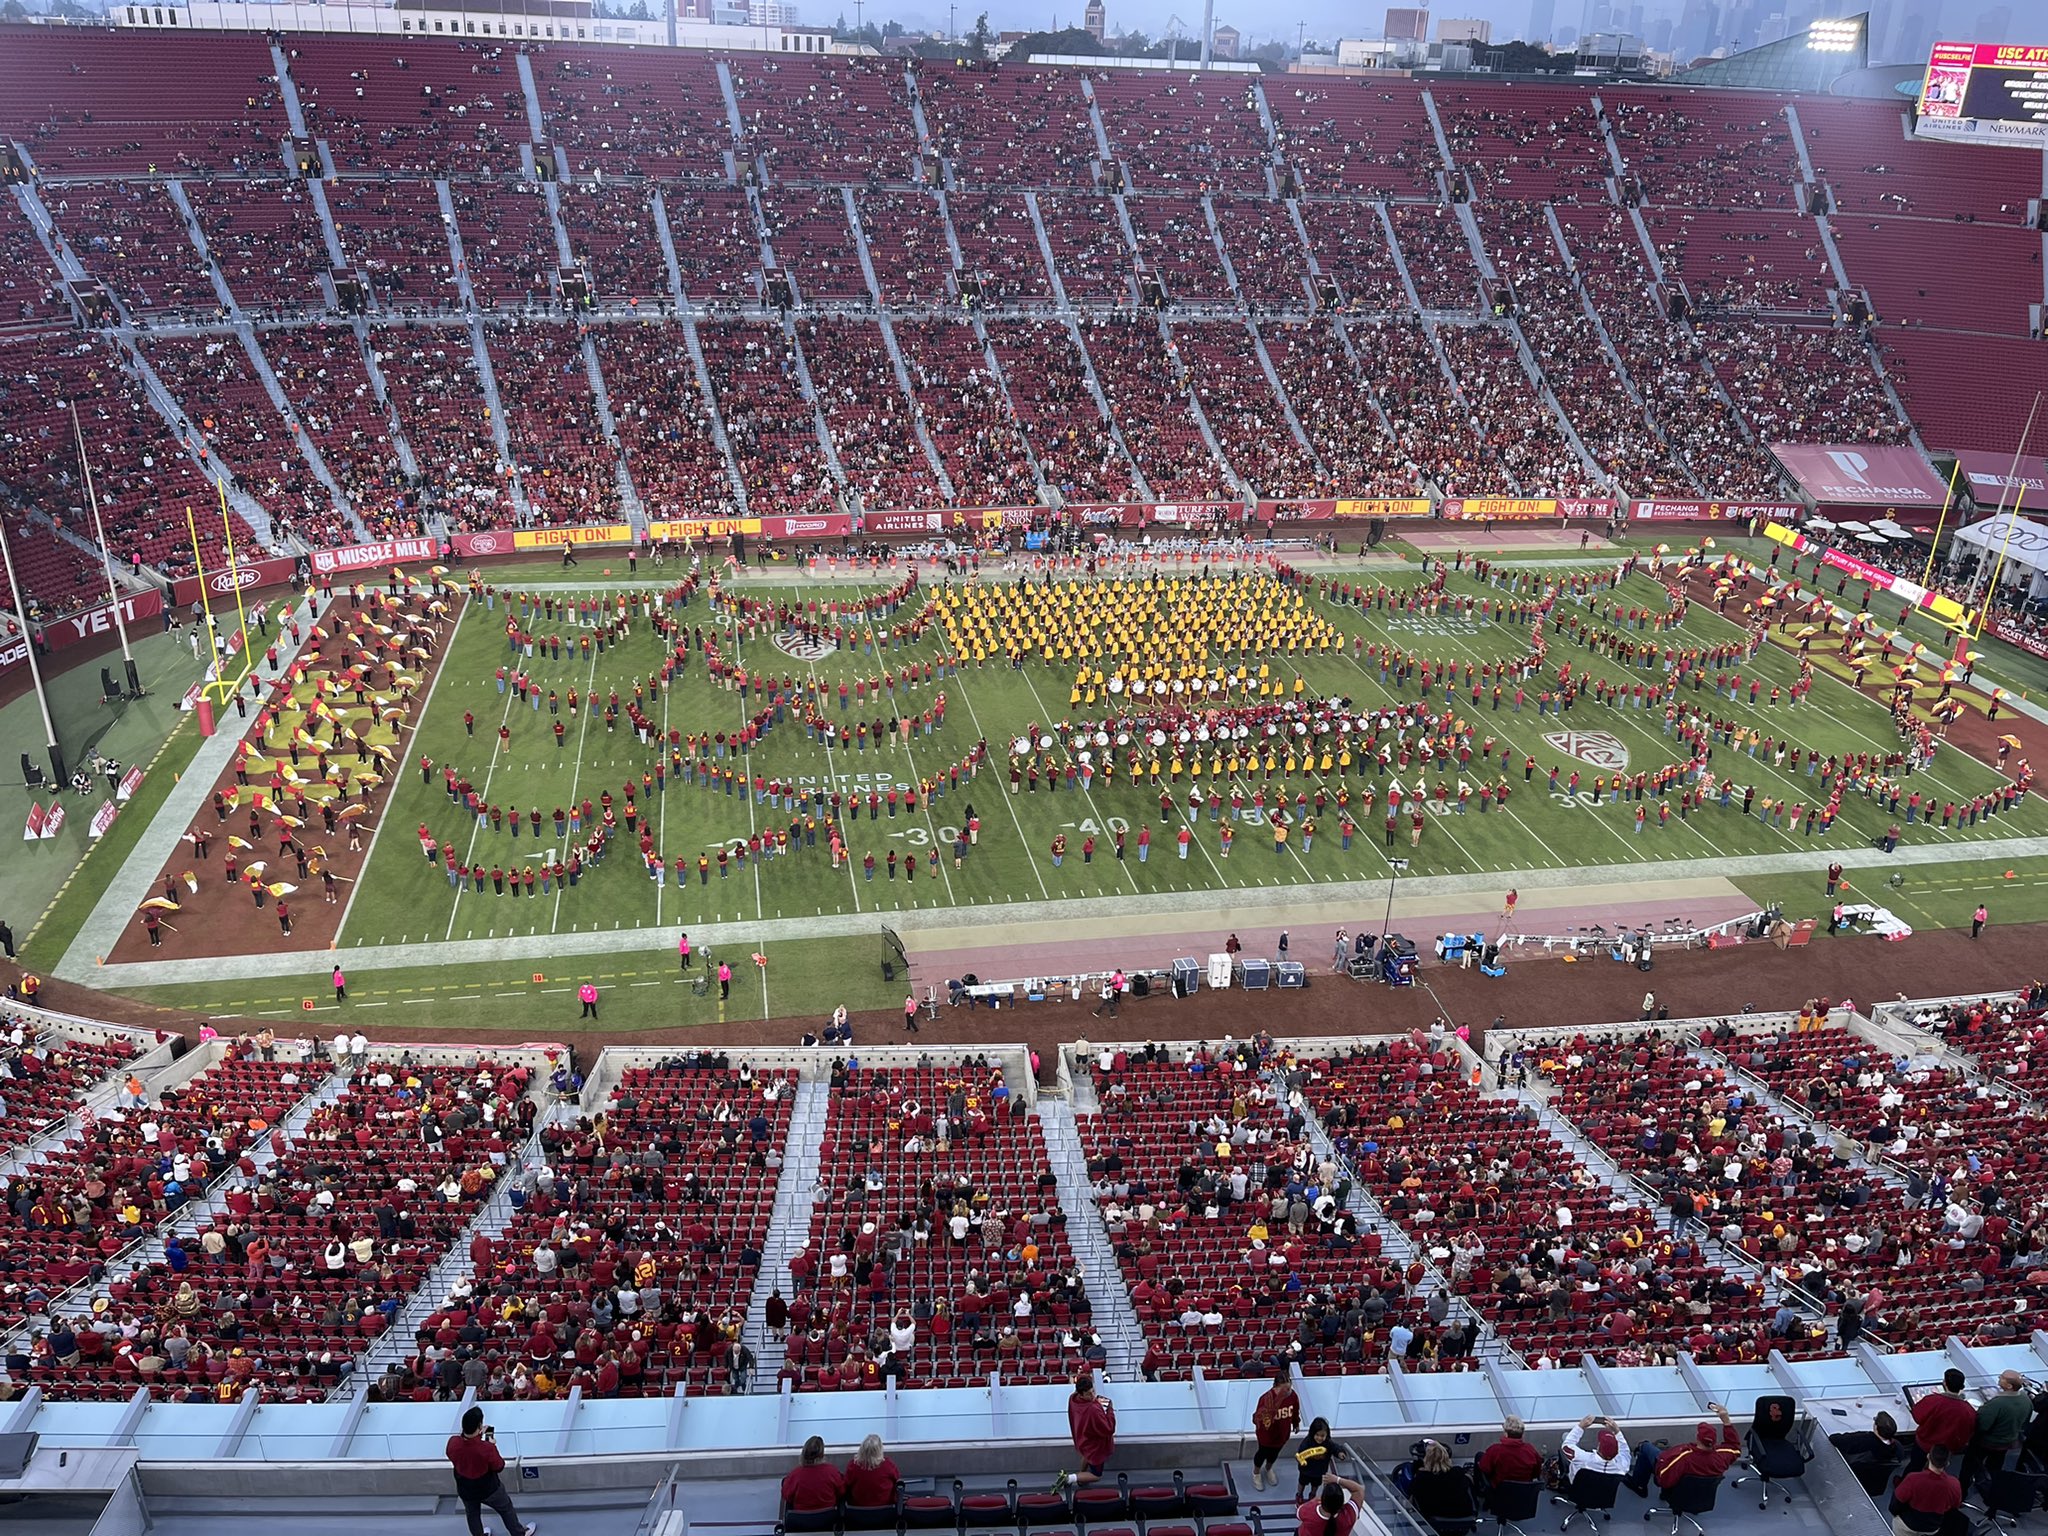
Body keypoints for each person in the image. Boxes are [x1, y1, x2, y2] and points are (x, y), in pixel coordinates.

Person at [445, 1405, 536, 1536]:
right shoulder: (486, 1448)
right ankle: (519, 1533)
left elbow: (459, 1452)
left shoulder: (453, 1442)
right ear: (479, 1426)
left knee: (472, 1515)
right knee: (506, 1509)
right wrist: (491, 1444)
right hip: (488, 1488)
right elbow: (499, 1466)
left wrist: (478, 1437)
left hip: (465, 1488)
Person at [1964, 1371, 2030, 1489]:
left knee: (1969, 1466)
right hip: (2006, 1443)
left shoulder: (1998, 1403)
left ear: (2009, 1386)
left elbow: (1982, 1426)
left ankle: (1962, 1489)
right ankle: (1991, 1491)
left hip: (1986, 1443)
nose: (1999, 1378)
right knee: (1995, 1468)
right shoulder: (2026, 1400)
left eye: (2002, 1378)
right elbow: (2024, 1422)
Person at [1053, 1370, 1116, 1493]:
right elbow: (1109, 1429)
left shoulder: (1073, 1398)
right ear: (1081, 1394)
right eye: (1089, 1394)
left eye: (1093, 1391)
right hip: (1095, 1445)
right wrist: (1110, 1410)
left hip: (1083, 1439)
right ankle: (1069, 1478)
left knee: (1086, 1455)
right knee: (1096, 1475)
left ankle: (1081, 1477)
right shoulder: (1092, 1409)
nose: (1093, 1396)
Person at [1652, 1404, 1741, 1488]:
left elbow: (1663, 1479)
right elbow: (1735, 1448)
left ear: (1697, 1437)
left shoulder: (1683, 1457)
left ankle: (1640, 1487)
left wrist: (1661, 1461)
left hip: (1678, 1494)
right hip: (1704, 1497)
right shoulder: (1721, 1457)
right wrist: (1726, 1421)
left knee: (1646, 1448)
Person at [1889, 1444, 1964, 1536]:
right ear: (1947, 1463)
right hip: (1932, 1527)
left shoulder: (1913, 1479)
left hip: (1908, 1524)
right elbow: (1954, 1506)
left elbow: (1895, 1504)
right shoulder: (1954, 1484)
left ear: (1928, 1456)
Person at [1910, 1370, 1977, 1468]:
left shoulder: (1932, 1401)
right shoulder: (1968, 1410)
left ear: (1945, 1383)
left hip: (1924, 1445)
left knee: (1915, 1467)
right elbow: (1969, 1430)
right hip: (1947, 1450)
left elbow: (1917, 1417)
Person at [1252, 1362, 1303, 1489]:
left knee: (1274, 1455)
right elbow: (1257, 1418)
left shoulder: (1293, 1396)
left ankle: (1268, 1469)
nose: (1288, 1391)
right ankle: (1256, 1473)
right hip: (1267, 1436)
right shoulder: (1266, 1399)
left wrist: (1296, 1423)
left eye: (1289, 1388)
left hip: (1282, 1434)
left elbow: (1295, 1411)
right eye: (1284, 1389)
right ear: (1276, 1386)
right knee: (1261, 1454)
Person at [1833, 1411, 1904, 1497]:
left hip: (1853, 1474)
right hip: (1875, 1483)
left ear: (1876, 1427)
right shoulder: (1898, 1447)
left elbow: (1835, 1440)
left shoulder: (1863, 1440)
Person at [1406, 1440, 1477, 1527]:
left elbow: (1410, 1494)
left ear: (1426, 1459)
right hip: (1464, 1516)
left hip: (1436, 1518)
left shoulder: (1422, 1477)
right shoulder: (1458, 1472)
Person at [1475, 1415, 1543, 1488]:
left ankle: (1478, 1489)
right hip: (1524, 1493)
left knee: (1479, 1456)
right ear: (1522, 1434)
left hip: (1499, 1492)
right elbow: (1536, 1473)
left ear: (1506, 1434)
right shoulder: (1530, 1450)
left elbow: (1485, 1469)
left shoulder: (1495, 1450)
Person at [782, 1436, 844, 1513]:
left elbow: (787, 1495)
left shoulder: (795, 1475)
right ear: (821, 1454)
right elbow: (842, 1491)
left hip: (801, 1521)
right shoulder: (832, 1472)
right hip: (827, 1521)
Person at [1296, 1469, 1366, 1536]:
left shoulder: (1310, 1510)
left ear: (1322, 1499)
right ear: (1341, 1502)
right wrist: (1338, 1480)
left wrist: (1314, 1501)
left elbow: (1299, 1514)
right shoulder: (1349, 1516)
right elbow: (1359, 1489)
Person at [1558, 1415, 1630, 1480]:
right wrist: (1617, 1431)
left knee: (1566, 1435)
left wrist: (1580, 1426)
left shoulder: (1583, 1459)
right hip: (1604, 1492)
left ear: (1599, 1448)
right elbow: (1625, 1451)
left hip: (1578, 1488)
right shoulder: (1622, 1466)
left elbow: (1566, 1446)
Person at [844, 1434, 902, 1508]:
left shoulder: (853, 1465)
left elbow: (845, 1487)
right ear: (880, 1449)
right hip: (885, 1512)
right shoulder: (888, 1465)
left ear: (862, 1449)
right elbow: (898, 1481)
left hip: (858, 1512)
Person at [1295, 1416, 1335, 1498]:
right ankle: (1299, 1495)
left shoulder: (1328, 1443)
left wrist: (1340, 1452)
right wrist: (1300, 1461)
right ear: (1312, 1433)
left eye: (1322, 1435)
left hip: (1319, 1472)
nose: (1320, 1438)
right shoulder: (1307, 1442)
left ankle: (1312, 1496)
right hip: (1306, 1471)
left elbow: (1335, 1448)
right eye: (1317, 1435)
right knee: (1302, 1483)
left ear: (1327, 1434)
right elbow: (1300, 1453)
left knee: (1315, 1486)